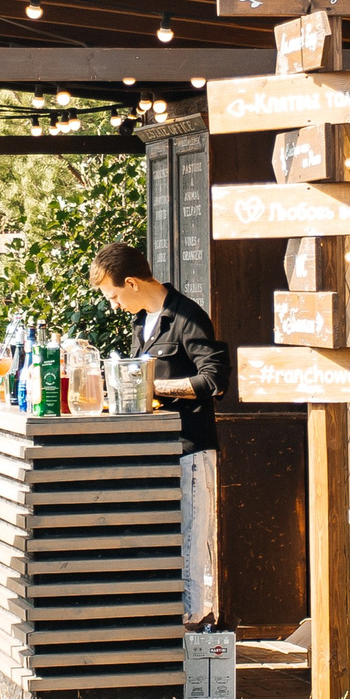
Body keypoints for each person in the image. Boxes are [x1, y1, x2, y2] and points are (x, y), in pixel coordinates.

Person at [89, 241, 229, 630]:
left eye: (114, 296)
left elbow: (215, 381)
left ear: (132, 283)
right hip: (156, 451)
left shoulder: (188, 317)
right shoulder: (141, 322)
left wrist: (150, 387)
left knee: (193, 542)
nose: (114, 306)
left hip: (190, 449)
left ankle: (198, 628)